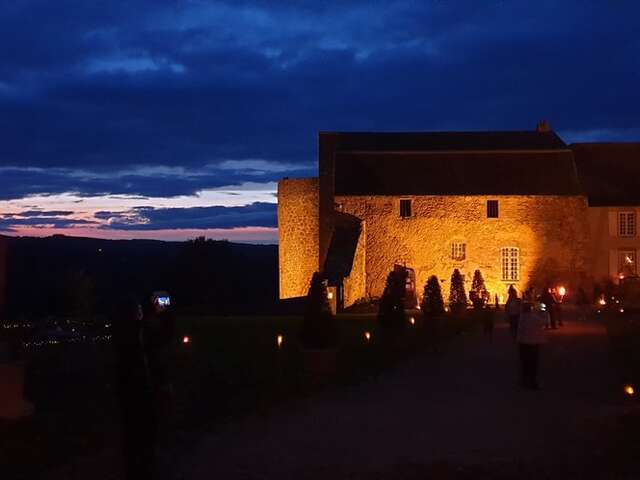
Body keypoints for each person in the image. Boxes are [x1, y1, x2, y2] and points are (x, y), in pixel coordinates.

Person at [112, 294, 157, 480]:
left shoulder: (127, 335)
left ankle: (136, 468)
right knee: (138, 436)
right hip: (135, 392)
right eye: (138, 310)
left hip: (130, 393)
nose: (141, 313)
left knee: (133, 437)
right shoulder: (133, 337)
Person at [516, 302, 546, 390]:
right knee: (533, 364)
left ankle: (524, 380)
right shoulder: (534, 318)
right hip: (533, 343)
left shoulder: (522, 318)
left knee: (524, 363)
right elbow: (544, 322)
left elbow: (520, 330)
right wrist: (543, 311)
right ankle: (532, 382)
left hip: (523, 343)